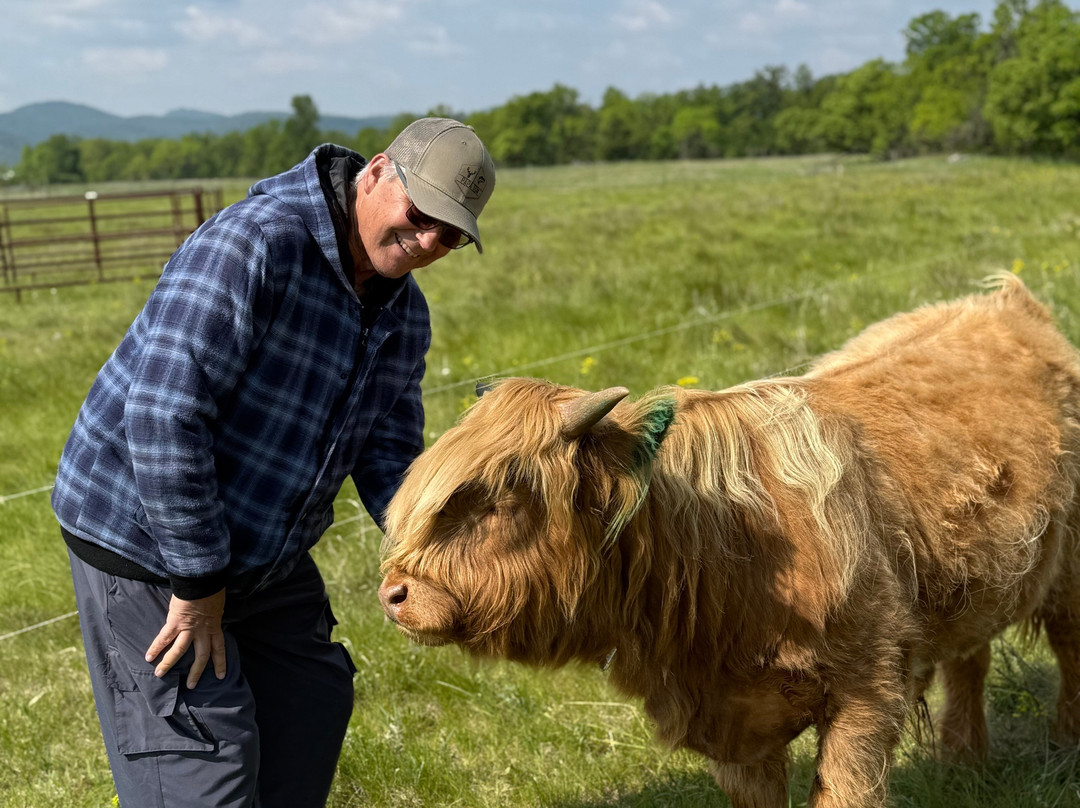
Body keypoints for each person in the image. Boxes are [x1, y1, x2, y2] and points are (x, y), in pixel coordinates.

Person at [52, 117, 496, 807]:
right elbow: (164, 414)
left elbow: (389, 457)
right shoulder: (254, 244)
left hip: (263, 549)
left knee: (310, 703)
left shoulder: (402, 317)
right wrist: (199, 584)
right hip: (147, 541)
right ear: (378, 172)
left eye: (452, 234)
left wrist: (453, 545)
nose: (430, 241)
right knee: (204, 760)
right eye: (422, 214)